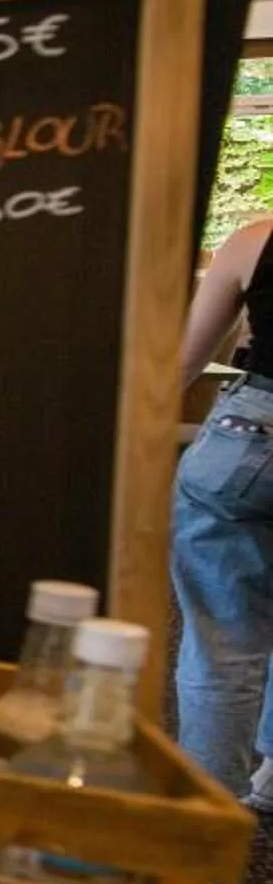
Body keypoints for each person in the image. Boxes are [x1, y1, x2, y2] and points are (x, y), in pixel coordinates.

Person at [172, 214, 273, 806]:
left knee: (222, 638)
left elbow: (181, 363)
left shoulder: (256, 240)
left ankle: (206, 810)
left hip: (251, 437)